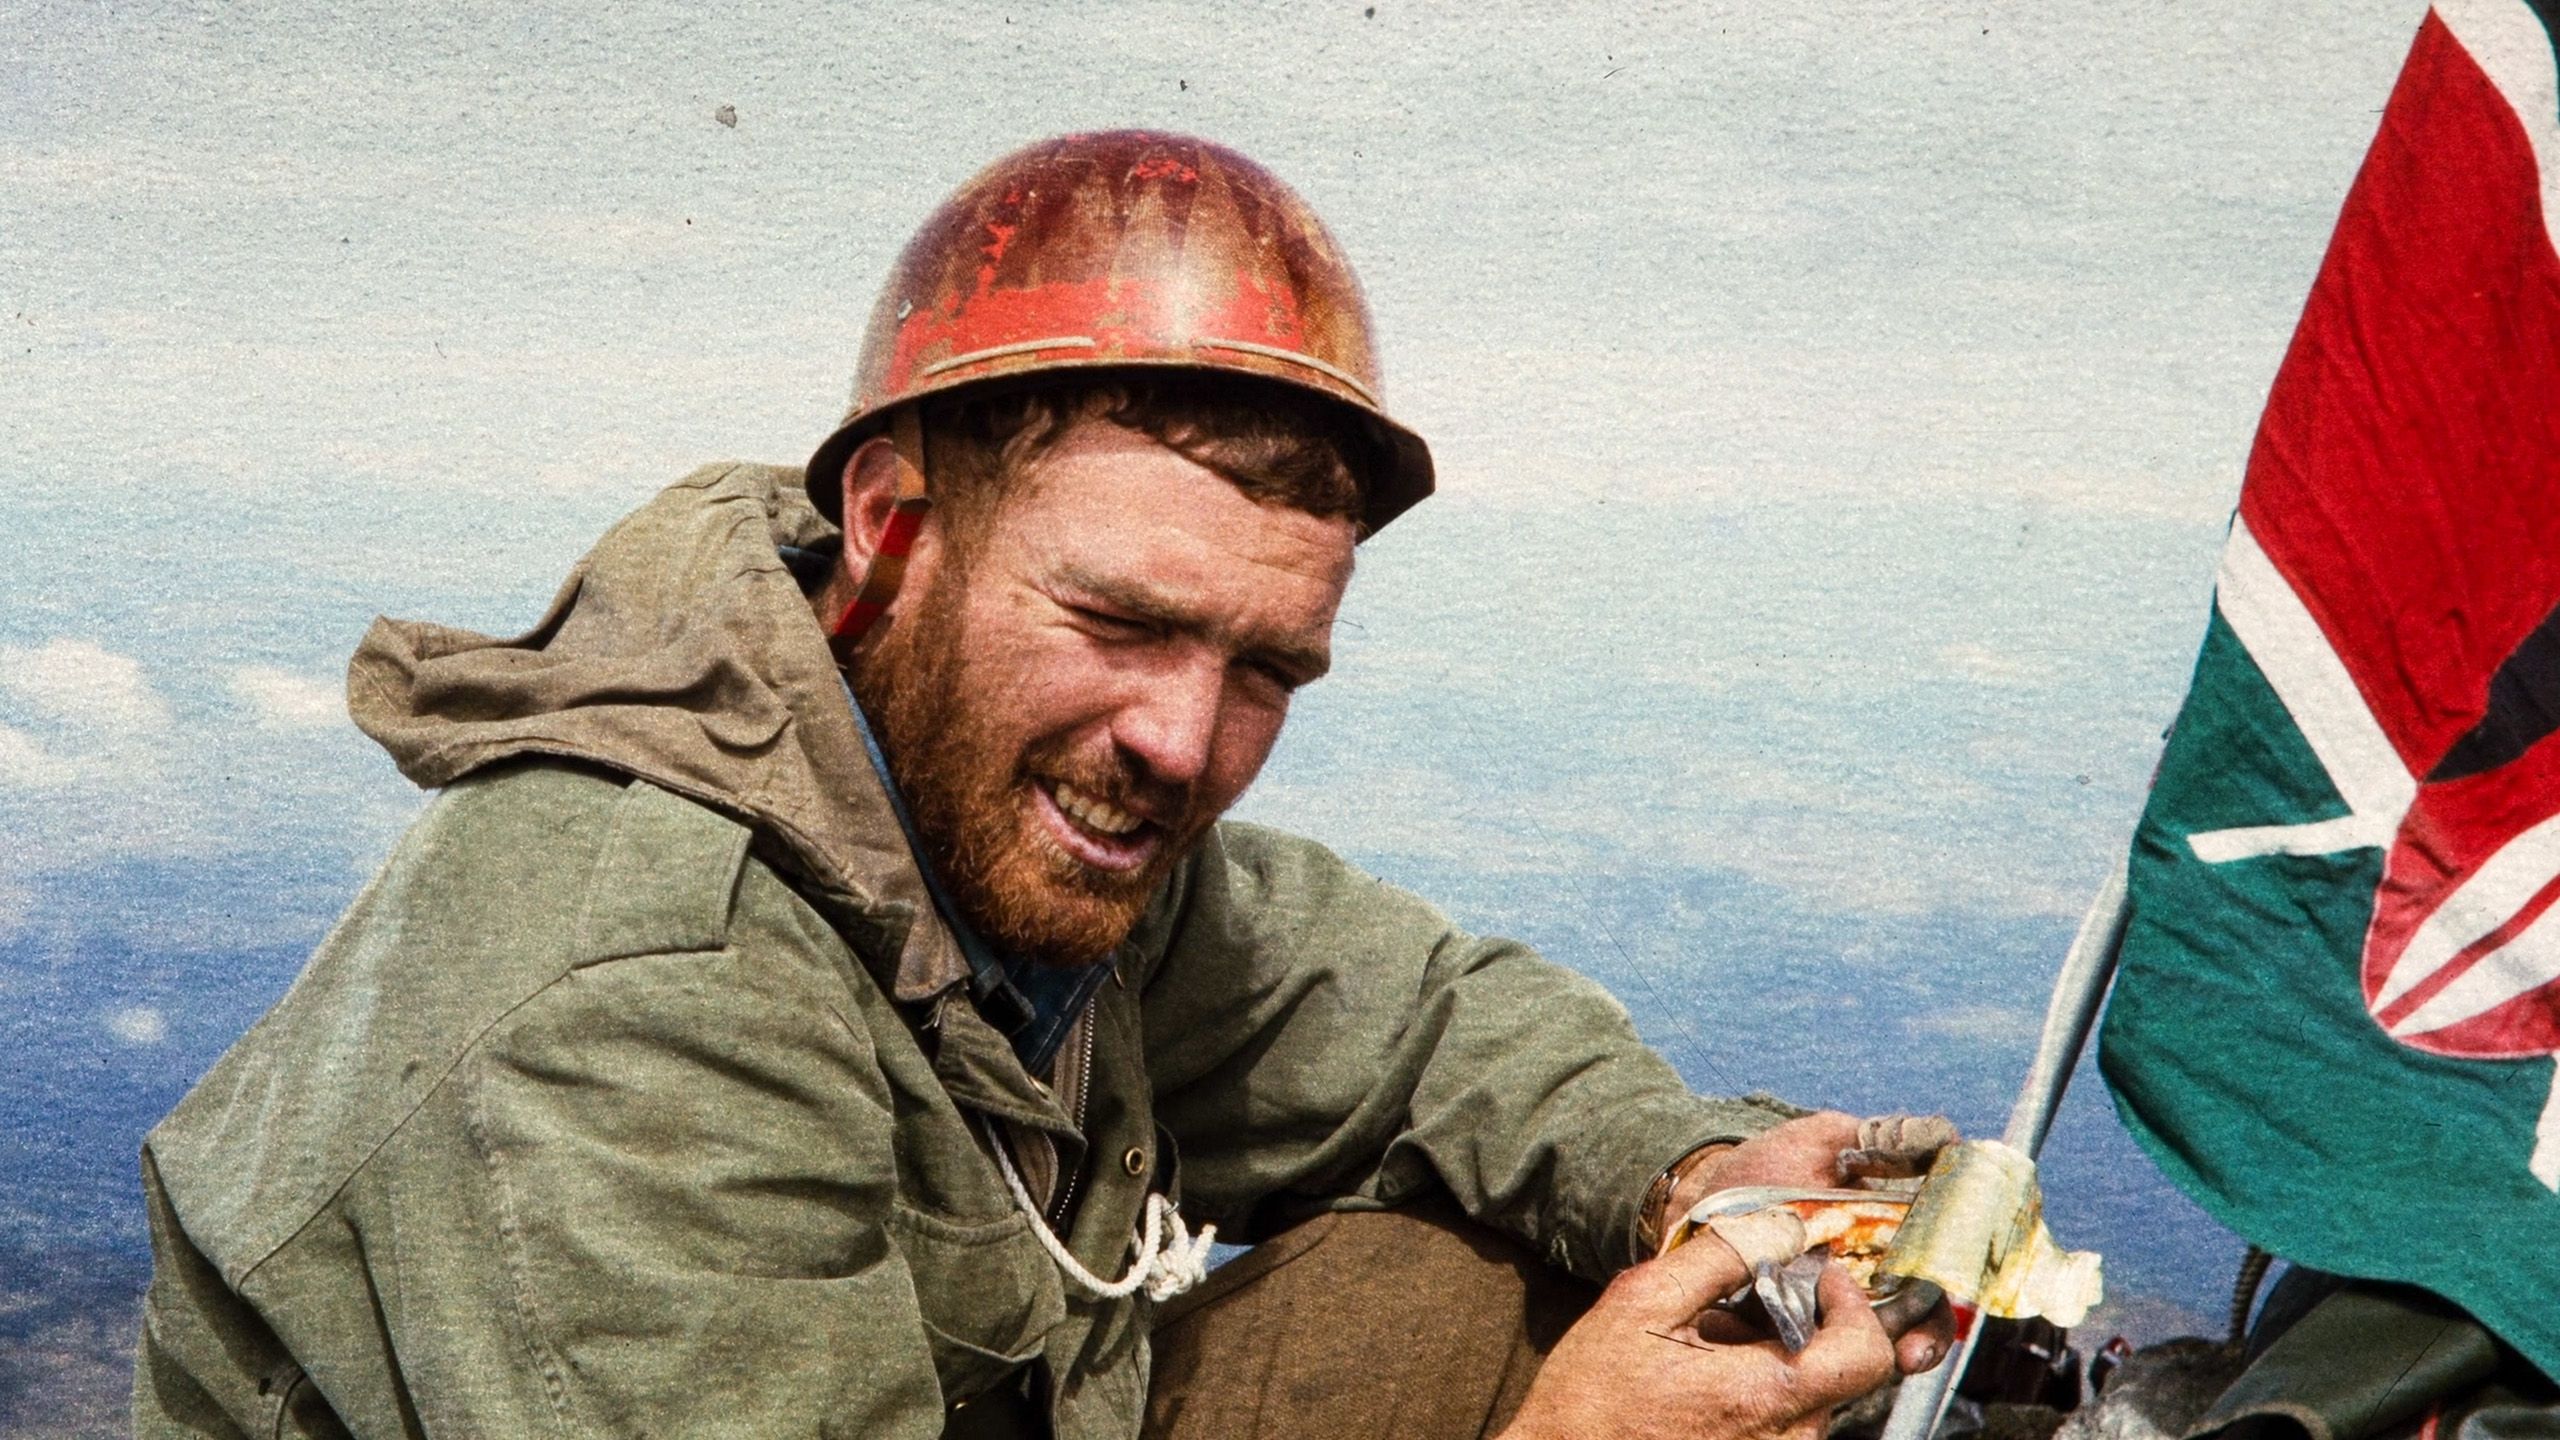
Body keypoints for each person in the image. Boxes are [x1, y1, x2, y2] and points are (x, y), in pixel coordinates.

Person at [131, 129, 1949, 1440]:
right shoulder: (633, 1001)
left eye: (1265, 670)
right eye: (1120, 621)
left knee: (1527, 1289)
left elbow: (1425, 1025)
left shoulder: (1018, 820)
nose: (1182, 742)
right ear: (892, 527)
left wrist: (1693, 1176)